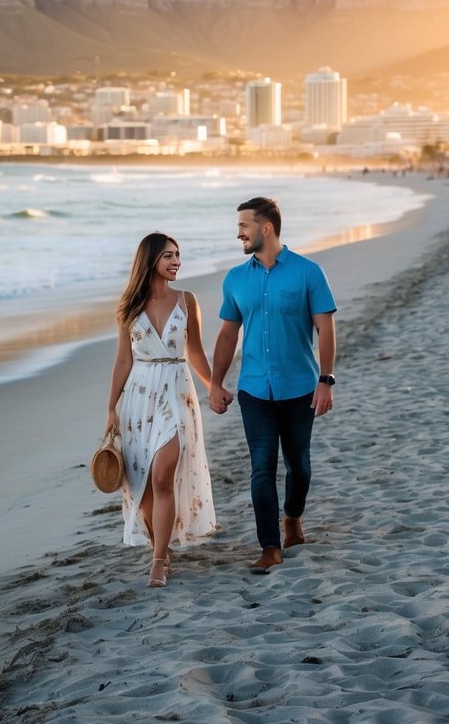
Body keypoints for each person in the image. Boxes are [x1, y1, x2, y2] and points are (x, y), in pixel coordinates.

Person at [209, 197, 337, 573]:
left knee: (299, 466)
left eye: (244, 226)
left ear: (266, 228)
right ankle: (270, 547)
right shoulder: (235, 278)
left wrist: (326, 380)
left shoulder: (309, 272)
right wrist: (216, 383)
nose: (238, 233)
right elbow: (228, 335)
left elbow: (325, 328)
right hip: (254, 391)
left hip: (299, 387)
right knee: (261, 468)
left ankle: (293, 517)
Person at [105, 233, 216, 587]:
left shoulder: (187, 301)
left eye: (178, 255)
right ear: (150, 260)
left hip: (175, 390)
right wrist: (111, 408)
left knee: (162, 476)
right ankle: (161, 548)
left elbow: (195, 352)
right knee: (144, 486)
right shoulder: (128, 307)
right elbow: (123, 360)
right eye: (169, 255)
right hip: (138, 397)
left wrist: (214, 387)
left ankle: (157, 562)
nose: (176, 261)